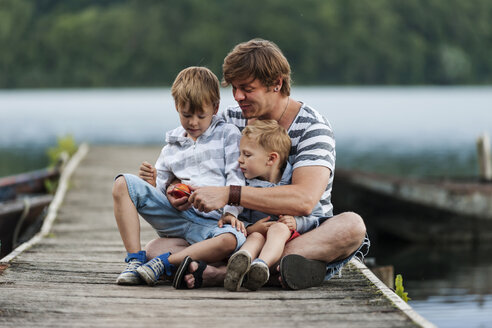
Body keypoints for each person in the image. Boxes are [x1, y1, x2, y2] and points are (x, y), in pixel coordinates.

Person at [146, 39, 369, 290]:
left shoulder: (312, 128)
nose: (238, 97)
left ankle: (222, 272)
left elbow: (304, 199)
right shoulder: (229, 120)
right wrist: (176, 188)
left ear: (277, 83)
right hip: (238, 235)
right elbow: (187, 156)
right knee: (156, 249)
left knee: (352, 227)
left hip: (295, 234)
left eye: (247, 89)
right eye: (234, 88)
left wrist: (230, 194)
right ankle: (274, 269)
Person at [112, 66, 247, 286]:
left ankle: (165, 263)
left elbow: (235, 175)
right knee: (122, 184)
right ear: (177, 106)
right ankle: (135, 260)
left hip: (213, 225)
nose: (193, 122)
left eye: (201, 116)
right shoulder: (171, 147)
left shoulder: (227, 134)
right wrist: (154, 183)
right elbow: (160, 194)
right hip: (179, 219)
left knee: (232, 240)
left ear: (215, 107)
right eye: (186, 115)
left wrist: (231, 212)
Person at [222, 120, 324, 291]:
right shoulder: (245, 185)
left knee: (279, 229)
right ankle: (241, 262)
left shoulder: (295, 182)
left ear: (271, 159)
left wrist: (297, 223)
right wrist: (252, 228)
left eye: (246, 155)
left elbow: (317, 216)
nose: (239, 160)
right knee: (255, 237)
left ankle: (261, 266)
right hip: (256, 237)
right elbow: (240, 216)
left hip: (289, 238)